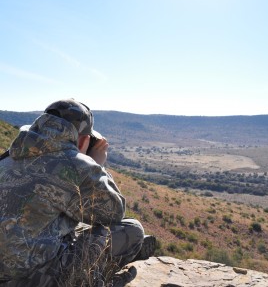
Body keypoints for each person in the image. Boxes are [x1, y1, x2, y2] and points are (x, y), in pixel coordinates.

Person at [0, 99, 156, 287]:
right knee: (132, 229)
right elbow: (114, 212)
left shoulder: (10, 156)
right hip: (31, 279)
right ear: (82, 139)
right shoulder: (74, 164)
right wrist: (96, 165)